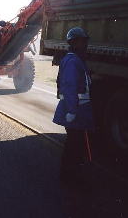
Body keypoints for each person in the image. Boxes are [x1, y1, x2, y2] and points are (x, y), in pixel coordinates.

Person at [53, 27, 94, 183]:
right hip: (76, 112)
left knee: (74, 147)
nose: (85, 45)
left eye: (85, 41)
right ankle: (70, 179)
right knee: (74, 148)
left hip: (78, 111)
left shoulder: (75, 60)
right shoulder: (73, 61)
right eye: (83, 41)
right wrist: (72, 111)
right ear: (75, 42)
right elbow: (69, 86)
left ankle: (69, 177)